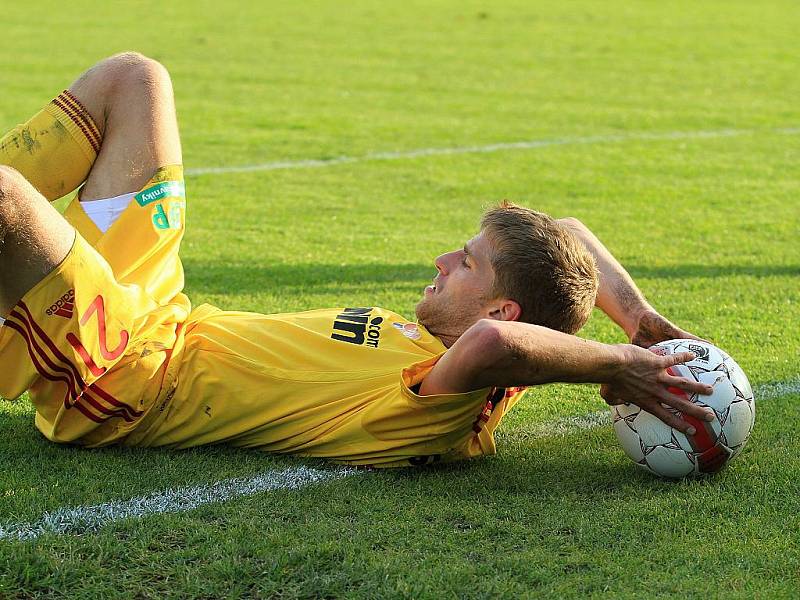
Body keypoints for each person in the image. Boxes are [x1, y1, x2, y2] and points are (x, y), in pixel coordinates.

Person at [0, 53, 715, 468]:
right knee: (136, 78)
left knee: (5, 197)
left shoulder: (451, 399)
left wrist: (614, 364)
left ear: (500, 310)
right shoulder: (488, 352)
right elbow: (569, 230)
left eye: (466, 263)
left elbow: (498, 344)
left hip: (124, 376)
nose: (442, 259)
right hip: (160, 310)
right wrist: (639, 321)